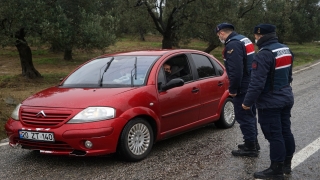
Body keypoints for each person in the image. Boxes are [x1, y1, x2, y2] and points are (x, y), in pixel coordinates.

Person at [242, 24, 295, 179]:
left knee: (274, 135)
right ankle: (287, 165)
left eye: (256, 36)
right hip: (286, 96)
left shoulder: (264, 54)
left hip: (270, 102)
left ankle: (276, 169)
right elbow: (289, 76)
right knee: (286, 131)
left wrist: (247, 102)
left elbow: (256, 83)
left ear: (262, 36)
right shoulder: (285, 49)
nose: (255, 39)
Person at [215, 23, 259, 157]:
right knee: (250, 114)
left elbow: (236, 71)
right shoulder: (243, 39)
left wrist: (233, 89)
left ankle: (250, 147)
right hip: (251, 81)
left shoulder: (232, 45)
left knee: (243, 116)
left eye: (218, 35)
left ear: (222, 33)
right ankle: (252, 142)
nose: (219, 38)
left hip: (242, 85)